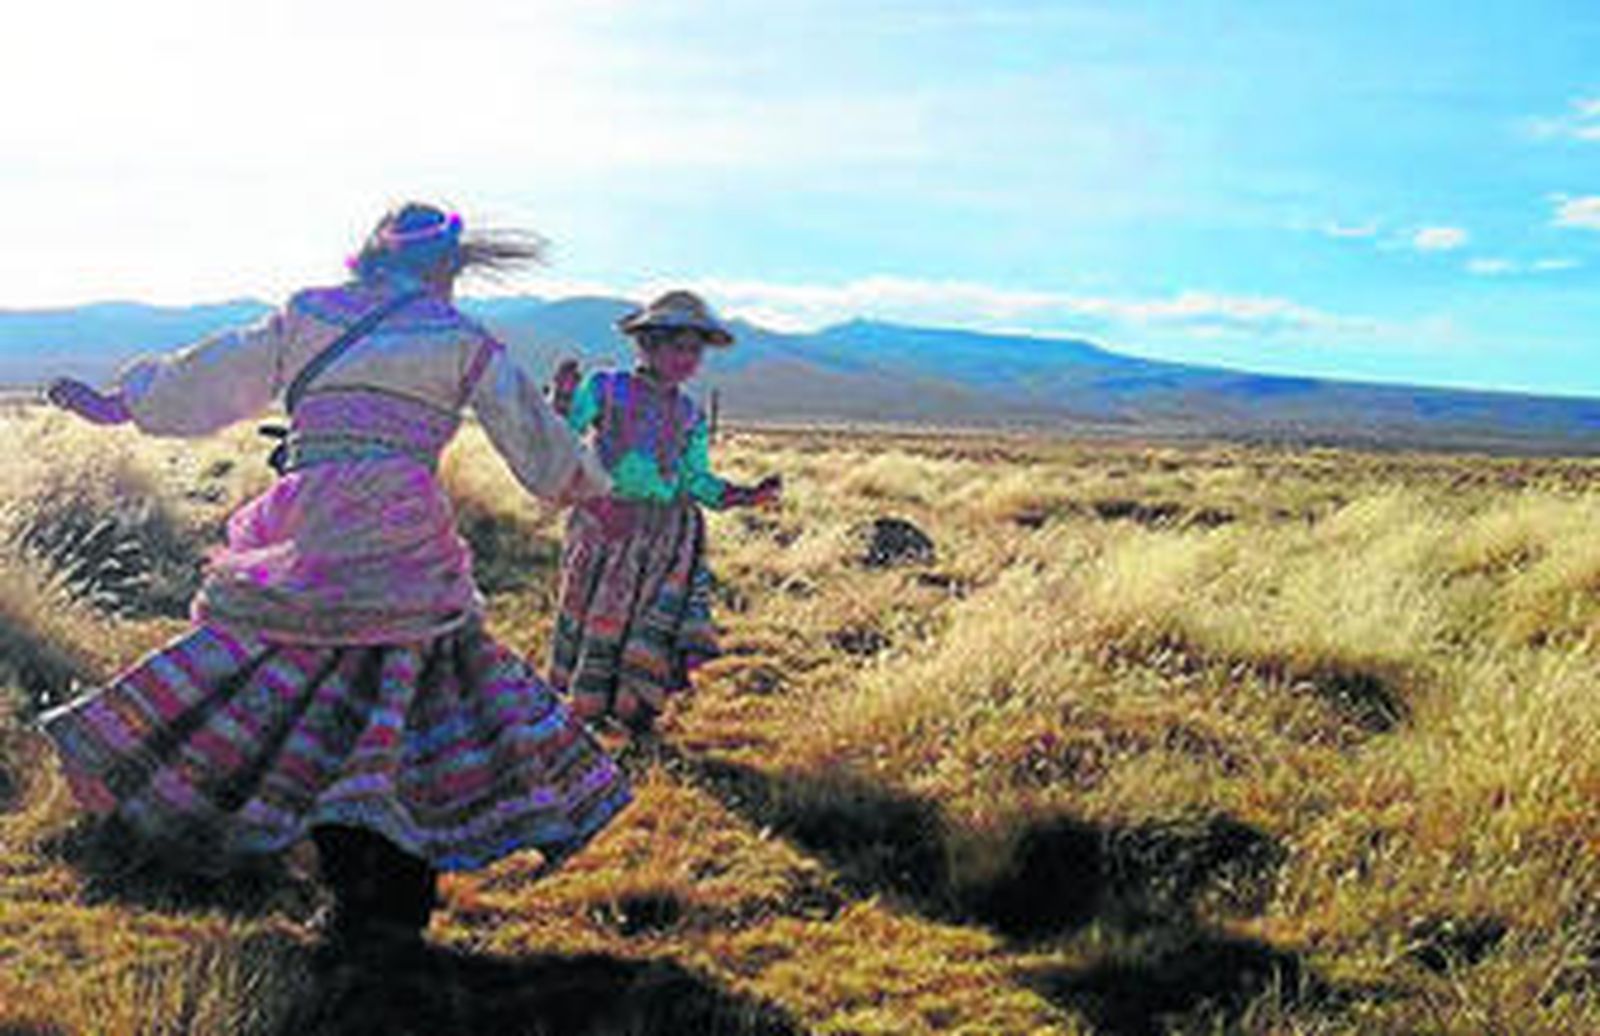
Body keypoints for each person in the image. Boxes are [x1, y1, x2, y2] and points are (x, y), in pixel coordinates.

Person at [38, 202, 631, 947]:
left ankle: (341, 879)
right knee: (409, 699)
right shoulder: (458, 338)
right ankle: (395, 900)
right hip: (403, 535)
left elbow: (218, 373)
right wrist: (588, 491)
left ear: (368, 256)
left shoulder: (311, 314)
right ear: (446, 268)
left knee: (299, 687)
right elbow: (527, 426)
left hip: (311, 527)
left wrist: (124, 403)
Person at [550, 290, 781, 734]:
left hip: (666, 538)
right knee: (599, 616)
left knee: (647, 626)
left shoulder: (690, 414)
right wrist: (560, 399)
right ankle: (588, 711)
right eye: (679, 347)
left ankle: (636, 713)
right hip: (606, 527)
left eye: (696, 350)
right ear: (649, 345)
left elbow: (695, 479)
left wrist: (744, 496)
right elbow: (563, 440)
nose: (689, 359)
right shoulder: (604, 388)